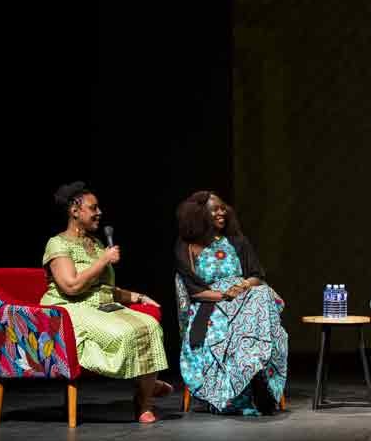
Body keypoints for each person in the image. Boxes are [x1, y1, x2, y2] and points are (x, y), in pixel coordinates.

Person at [40, 181, 170, 423]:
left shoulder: (96, 244)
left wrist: (138, 297)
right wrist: (103, 261)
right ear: (75, 211)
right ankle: (144, 382)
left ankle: (144, 403)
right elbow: (71, 286)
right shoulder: (57, 244)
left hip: (99, 305)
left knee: (150, 326)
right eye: (93, 208)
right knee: (124, 333)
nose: (99, 213)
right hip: (69, 308)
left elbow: (105, 289)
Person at [174, 191, 288, 415]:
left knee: (262, 293)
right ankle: (250, 377)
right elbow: (193, 290)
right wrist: (224, 296)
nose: (221, 212)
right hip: (211, 304)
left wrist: (242, 287)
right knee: (254, 305)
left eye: (222, 208)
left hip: (245, 296)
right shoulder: (187, 245)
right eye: (214, 209)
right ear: (199, 214)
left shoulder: (237, 241)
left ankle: (252, 365)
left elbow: (256, 274)